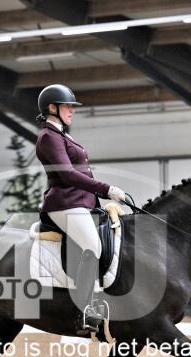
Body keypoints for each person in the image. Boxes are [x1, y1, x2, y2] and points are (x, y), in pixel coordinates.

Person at [35, 83, 127, 334]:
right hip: (63, 204)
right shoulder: (48, 137)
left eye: (72, 106)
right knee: (92, 245)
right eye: (67, 106)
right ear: (51, 108)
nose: (72, 110)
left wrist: (99, 197)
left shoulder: (63, 135)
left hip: (81, 203)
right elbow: (68, 175)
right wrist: (106, 189)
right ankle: (87, 310)